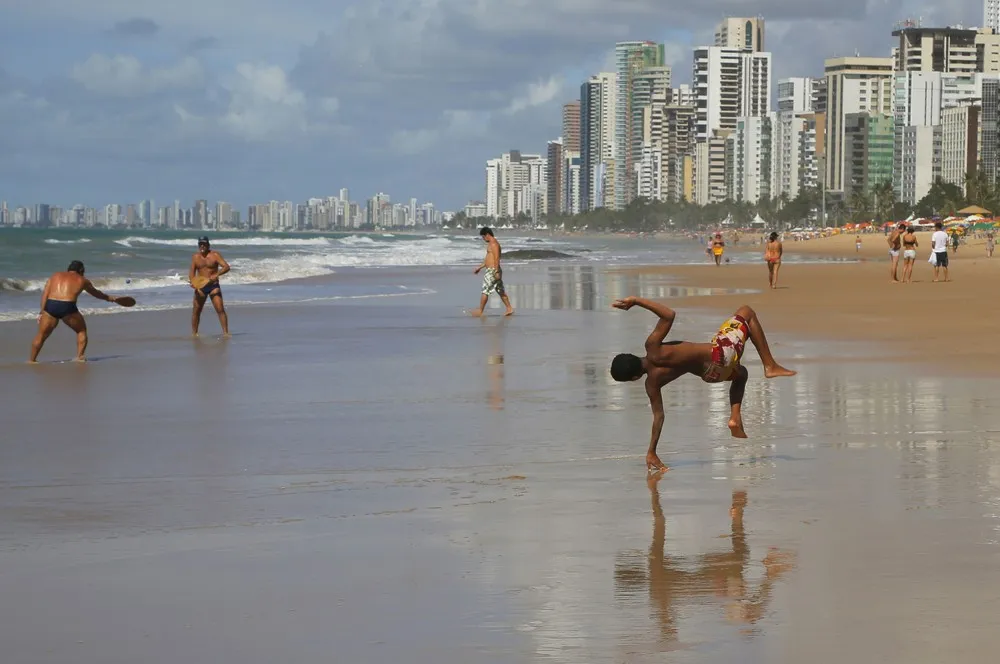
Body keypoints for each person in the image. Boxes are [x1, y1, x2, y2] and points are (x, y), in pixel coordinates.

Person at [609, 297, 796, 472]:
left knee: (742, 374)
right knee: (746, 312)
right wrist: (636, 301)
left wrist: (651, 451)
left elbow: (659, 418)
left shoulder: (652, 384)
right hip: (720, 354)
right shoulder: (652, 347)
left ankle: (735, 418)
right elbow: (669, 314)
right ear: (631, 355)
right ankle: (770, 366)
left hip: (711, 375)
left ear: (633, 378)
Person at [29, 261, 125, 363]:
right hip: (67, 306)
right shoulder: (82, 280)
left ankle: (32, 360)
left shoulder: (55, 276)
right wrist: (110, 298)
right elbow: (96, 294)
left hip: (50, 305)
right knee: (81, 331)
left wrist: (42, 311)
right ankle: (79, 357)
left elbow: (45, 294)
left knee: (41, 335)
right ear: (81, 270)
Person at [189, 236, 231, 336]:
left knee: (220, 309)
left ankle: (225, 333)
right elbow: (191, 273)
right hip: (201, 286)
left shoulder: (215, 255)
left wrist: (217, 274)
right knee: (196, 310)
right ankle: (194, 334)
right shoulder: (195, 257)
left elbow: (226, 267)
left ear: (208, 245)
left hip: (213, 286)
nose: (202, 246)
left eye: (204, 244)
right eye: (200, 244)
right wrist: (194, 284)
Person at [472, 227, 514, 316]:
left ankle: (480, 311)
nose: (483, 239)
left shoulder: (494, 244)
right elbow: (488, 259)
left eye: (483, 237)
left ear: (487, 235)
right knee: (500, 290)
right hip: (493, 270)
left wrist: (496, 271)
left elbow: (496, 258)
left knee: (485, 290)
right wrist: (479, 267)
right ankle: (509, 308)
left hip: (493, 271)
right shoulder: (491, 244)